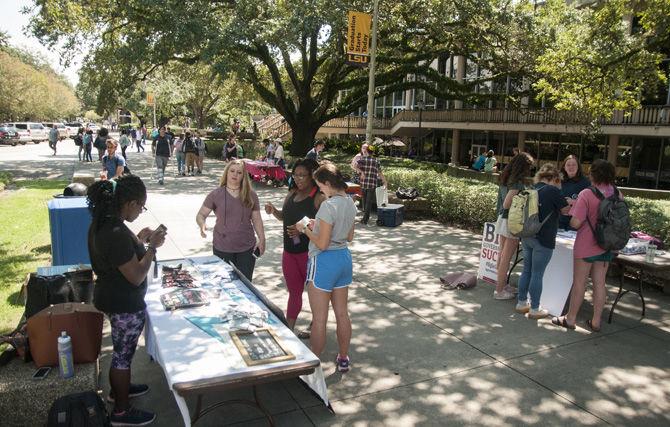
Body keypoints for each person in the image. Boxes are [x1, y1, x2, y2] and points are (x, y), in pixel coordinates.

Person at [86, 174, 166, 426]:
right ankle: (121, 411)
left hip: (112, 296)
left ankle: (120, 389)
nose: (141, 211)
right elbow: (135, 274)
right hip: (124, 302)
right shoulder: (115, 231)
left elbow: (121, 256)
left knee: (123, 353)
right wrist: (152, 247)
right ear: (129, 203)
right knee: (122, 355)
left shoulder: (106, 223)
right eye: (141, 206)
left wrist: (141, 240)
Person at [294, 163, 356, 372]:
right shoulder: (350, 203)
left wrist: (305, 229)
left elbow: (321, 244)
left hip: (324, 262)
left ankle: (313, 364)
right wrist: (318, 225)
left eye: (321, 186)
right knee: (342, 313)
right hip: (344, 259)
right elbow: (349, 236)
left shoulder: (328, 206)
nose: (320, 190)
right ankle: (344, 358)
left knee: (319, 318)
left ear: (328, 184)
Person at [552, 160, 621, 332]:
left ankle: (570, 319)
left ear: (593, 175)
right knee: (600, 283)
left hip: (586, 245)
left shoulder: (586, 193)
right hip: (606, 245)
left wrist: (575, 211)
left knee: (579, 283)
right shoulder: (618, 193)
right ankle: (596, 321)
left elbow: (575, 223)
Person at [265, 159, 325, 332]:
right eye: (295, 175)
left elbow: (325, 227)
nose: (298, 179)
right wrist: (274, 211)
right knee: (294, 292)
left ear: (312, 176)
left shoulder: (318, 198)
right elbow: (285, 217)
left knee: (315, 294)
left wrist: (303, 229)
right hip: (289, 253)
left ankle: (316, 325)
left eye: (302, 175)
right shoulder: (291, 193)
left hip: (310, 254)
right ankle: (289, 330)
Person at [515, 164, 570, 319]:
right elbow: (565, 211)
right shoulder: (552, 190)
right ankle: (534, 308)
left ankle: (521, 303)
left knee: (527, 270)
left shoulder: (530, 189)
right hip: (544, 238)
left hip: (527, 235)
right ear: (554, 179)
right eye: (559, 181)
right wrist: (568, 202)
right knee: (537, 274)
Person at [196, 159, 266, 281]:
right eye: (232, 171)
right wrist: (202, 225)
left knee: (245, 284)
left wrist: (262, 239)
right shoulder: (215, 194)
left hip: (246, 248)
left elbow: (257, 220)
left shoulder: (251, 195)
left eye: (239, 172)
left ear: (243, 176)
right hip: (222, 247)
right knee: (224, 284)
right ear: (226, 173)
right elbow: (201, 214)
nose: (235, 174)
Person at [494, 152, 533, 300]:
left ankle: (502, 285)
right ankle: (499, 290)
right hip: (511, 221)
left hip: (503, 219)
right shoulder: (516, 182)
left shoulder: (506, 178)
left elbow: (501, 204)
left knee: (502, 255)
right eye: (529, 166)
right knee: (506, 258)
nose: (530, 169)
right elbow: (507, 203)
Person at [559, 155, 590, 230]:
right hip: (559, 220)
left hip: (576, 222)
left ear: (578, 167)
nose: (571, 167)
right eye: (568, 165)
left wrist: (574, 202)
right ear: (564, 167)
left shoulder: (585, 182)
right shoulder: (558, 180)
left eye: (574, 165)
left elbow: (589, 203)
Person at [357, 146, 387, 225]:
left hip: (363, 183)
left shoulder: (362, 160)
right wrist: (385, 182)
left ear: (366, 151)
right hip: (372, 184)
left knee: (364, 201)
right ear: (373, 153)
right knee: (368, 202)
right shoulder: (376, 161)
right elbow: (380, 173)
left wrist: (362, 172)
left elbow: (356, 167)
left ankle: (365, 218)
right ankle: (365, 218)